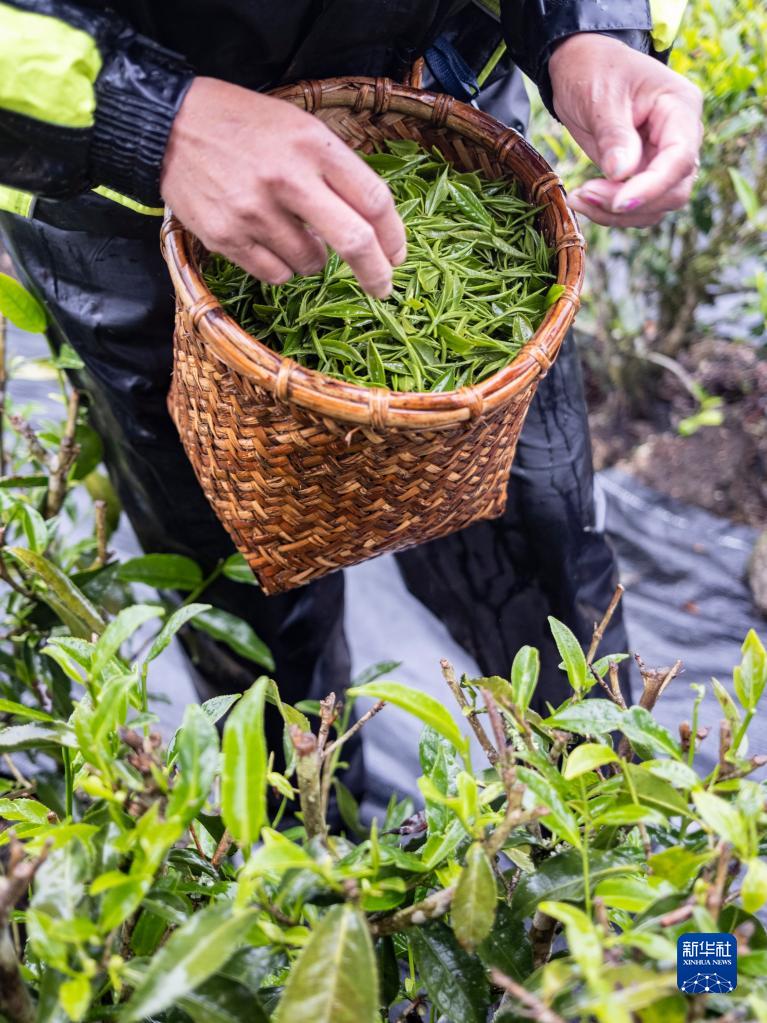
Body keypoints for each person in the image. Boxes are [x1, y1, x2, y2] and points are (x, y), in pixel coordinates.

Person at [0, 1, 701, 796]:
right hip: (130, 188)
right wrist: (147, 117)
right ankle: (308, 837)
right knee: (248, 583)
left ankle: (592, 813)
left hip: (435, 107)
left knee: (537, 532)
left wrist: (584, 29)